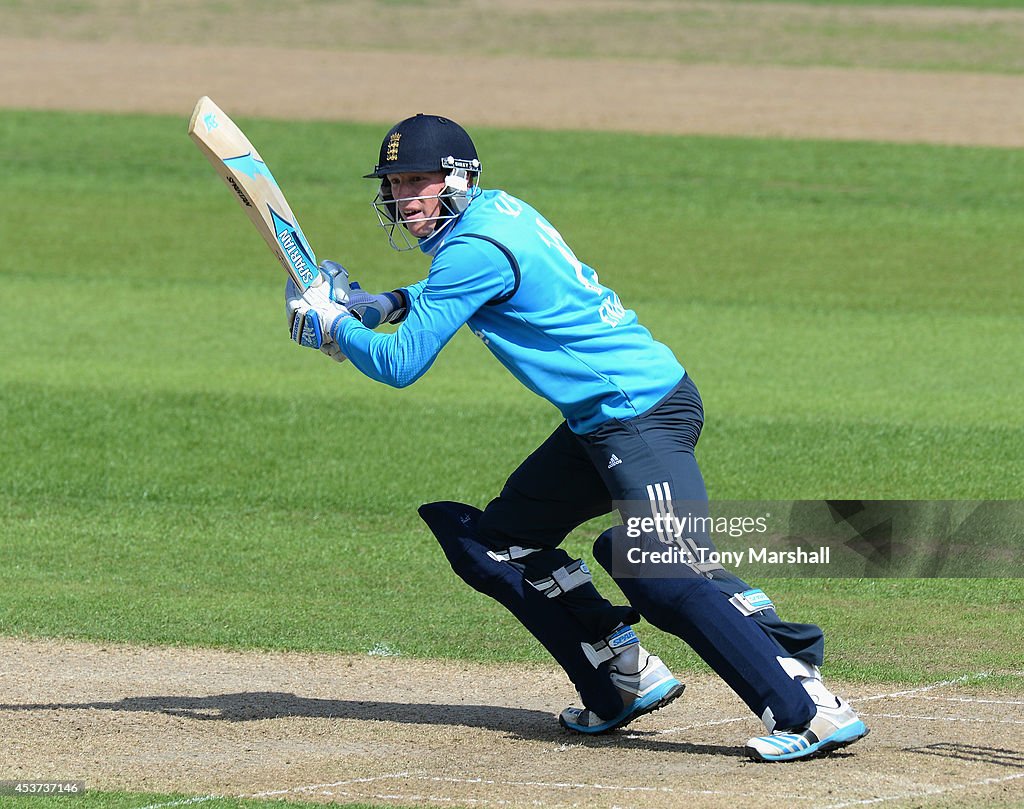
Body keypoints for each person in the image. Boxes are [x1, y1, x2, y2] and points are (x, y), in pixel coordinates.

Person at [284, 113, 869, 761]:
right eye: (395, 184)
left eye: (418, 180)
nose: (404, 197)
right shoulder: (497, 214)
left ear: (457, 178)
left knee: (657, 567)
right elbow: (456, 287)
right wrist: (385, 304)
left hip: (639, 414)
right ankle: (620, 675)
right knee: (496, 543)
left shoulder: (471, 249)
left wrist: (334, 327)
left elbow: (400, 364)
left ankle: (808, 705)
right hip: (605, 420)